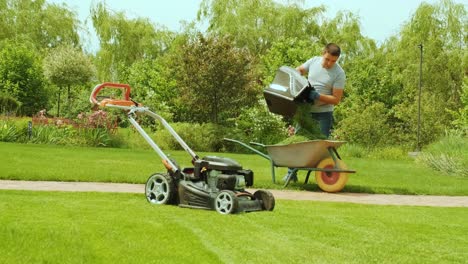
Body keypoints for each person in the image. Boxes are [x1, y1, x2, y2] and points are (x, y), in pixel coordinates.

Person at [284, 43, 346, 182]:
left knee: (321, 148)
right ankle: (291, 174)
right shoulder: (313, 61)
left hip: (324, 114)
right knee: (298, 142)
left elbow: (336, 99)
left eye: (333, 61)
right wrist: (299, 82)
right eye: (327, 59)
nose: (329, 63)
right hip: (305, 111)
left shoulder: (339, 74)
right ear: (323, 53)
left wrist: (317, 96)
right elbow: (298, 70)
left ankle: (323, 177)